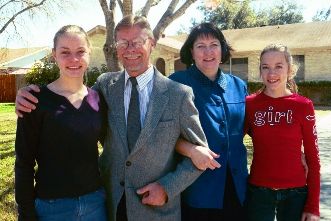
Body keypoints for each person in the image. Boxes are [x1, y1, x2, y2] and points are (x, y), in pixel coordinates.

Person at [15, 15, 207, 221]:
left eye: (138, 42)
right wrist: (23, 93)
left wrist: (168, 188)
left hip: (154, 210)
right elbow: (73, 109)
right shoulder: (106, 87)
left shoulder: (178, 94)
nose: (130, 48)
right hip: (109, 205)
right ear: (116, 47)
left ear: (152, 43)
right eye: (123, 42)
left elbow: (200, 158)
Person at [14, 25, 107, 221]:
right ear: (54, 55)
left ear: (89, 54)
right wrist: (26, 213)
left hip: (95, 204)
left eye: (80, 51)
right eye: (65, 52)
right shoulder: (35, 101)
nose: (73, 59)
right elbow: (24, 162)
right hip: (52, 208)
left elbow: (114, 146)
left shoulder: (98, 99)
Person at [169, 23, 248, 221]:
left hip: (237, 187)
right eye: (200, 46)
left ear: (222, 50)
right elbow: (163, 134)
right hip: (197, 187)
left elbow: (253, 129)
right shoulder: (176, 83)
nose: (208, 52)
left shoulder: (239, 86)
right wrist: (191, 150)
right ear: (191, 52)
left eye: (214, 44)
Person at [244, 43, 320, 221]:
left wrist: (313, 206)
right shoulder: (250, 104)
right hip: (259, 192)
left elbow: (313, 159)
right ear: (260, 71)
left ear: (290, 69)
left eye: (279, 66)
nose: (272, 74)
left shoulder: (304, 106)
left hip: (296, 194)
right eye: (266, 67)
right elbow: (231, 139)